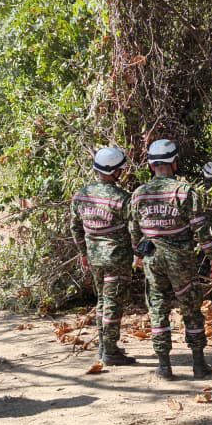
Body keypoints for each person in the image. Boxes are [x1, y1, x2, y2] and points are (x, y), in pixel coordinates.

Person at [129, 139, 212, 380]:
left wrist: (137, 255)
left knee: (158, 308)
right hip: (181, 261)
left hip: (152, 259)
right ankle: (199, 364)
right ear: (175, 163)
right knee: (190, 308)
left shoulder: (139, 194)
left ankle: (164, 366)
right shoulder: (185, 192)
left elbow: (134, 230)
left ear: (151, 165)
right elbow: (200, 229)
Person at [70, 147, 138, 367]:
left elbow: (75, 228)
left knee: (102, 301)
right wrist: (138, 253)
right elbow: (135, 230)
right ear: (114, 171)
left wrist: (83, 252)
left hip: (94, 258)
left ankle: (104, 346)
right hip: (117, 260)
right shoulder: (122, 199)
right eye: (120, 169)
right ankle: (110, 351)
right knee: (113, 304)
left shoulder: (82, 195)